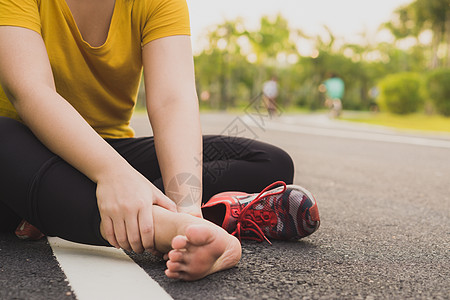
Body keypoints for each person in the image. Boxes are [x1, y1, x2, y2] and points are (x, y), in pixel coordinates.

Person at [0, 0, 319, 281]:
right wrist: (114, 175)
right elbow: (31, 92)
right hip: (23, 148)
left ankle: (63, 204)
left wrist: (189, 207)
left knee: (269, 163)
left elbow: (173, 100)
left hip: (106, 147)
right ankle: (166, 229)